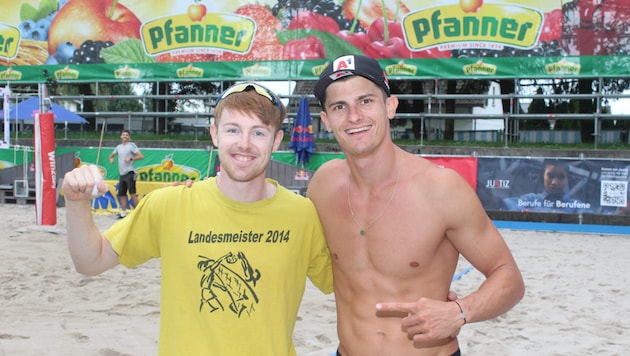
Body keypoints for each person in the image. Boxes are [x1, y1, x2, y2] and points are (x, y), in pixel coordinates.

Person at [62, 83, 333, 355]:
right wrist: (76, 203)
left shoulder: (302, 215)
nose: (244, 143)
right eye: (233, 129)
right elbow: (90, 261)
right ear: (215, 134)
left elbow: (348, 284)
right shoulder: (170, 205)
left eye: (258, 132)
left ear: (276, 140)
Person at [309, 54, 525, 355]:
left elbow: (509, 277)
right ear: (326, 121)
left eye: (366, 101)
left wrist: (460, 312)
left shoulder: (440, 189)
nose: (354, 116)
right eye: (339, 107)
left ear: (390, 107)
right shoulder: (323, 186)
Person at [502, 159, 591, 213]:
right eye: (550, 176)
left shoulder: (576, 206)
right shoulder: (530, 200)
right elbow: (504, 203)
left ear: (567, 179)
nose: (554, 182)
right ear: (542, 177)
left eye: (560, 177)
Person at [108, 129, 143, 218]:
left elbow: (140, 156)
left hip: (130, 172)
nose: (125, 136)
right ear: (121, 136)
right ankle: (123, 212)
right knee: (122, 194)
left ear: (129, 137)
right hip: (122, 173)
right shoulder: (118, 147)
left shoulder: (131, 146)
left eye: (127, 135)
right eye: (123, 135)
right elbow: (111, 155)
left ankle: (139, 213)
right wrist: (111, 159)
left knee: (132, 193)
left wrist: (131, 159)